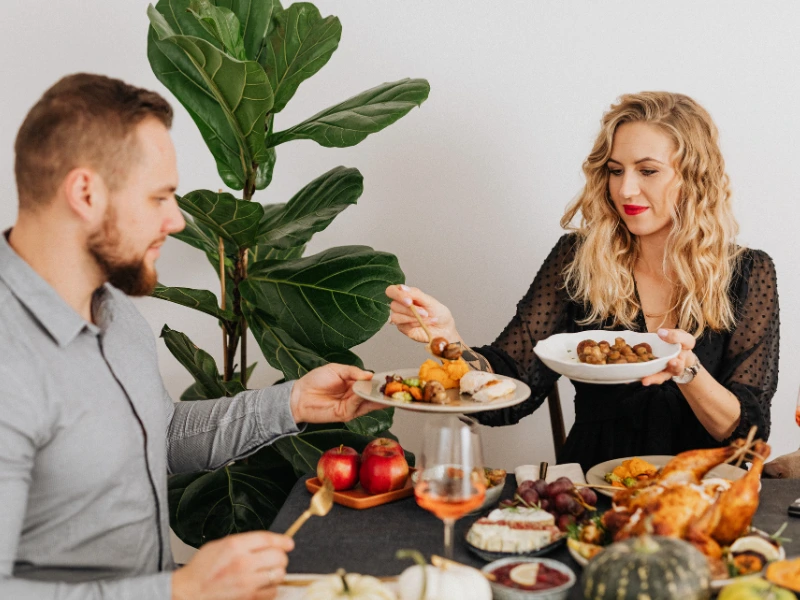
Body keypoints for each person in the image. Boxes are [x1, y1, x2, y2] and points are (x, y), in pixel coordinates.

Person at [0, 73, 382, 600]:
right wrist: (179, 590)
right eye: (159, 198)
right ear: (85, 193)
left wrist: (292, 403)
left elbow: (158, 434)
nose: (177, 221)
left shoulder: (114, 311)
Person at [387, 92, 779, 472]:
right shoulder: (578, 260)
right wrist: (449, 341)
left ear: (694, 178)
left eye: (647, 171)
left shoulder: (748, 274)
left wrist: (687, 371)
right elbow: (509, 394)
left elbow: (748, 436)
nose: (625, 189)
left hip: (704, 495)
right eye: (615, 170)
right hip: (591, 490)